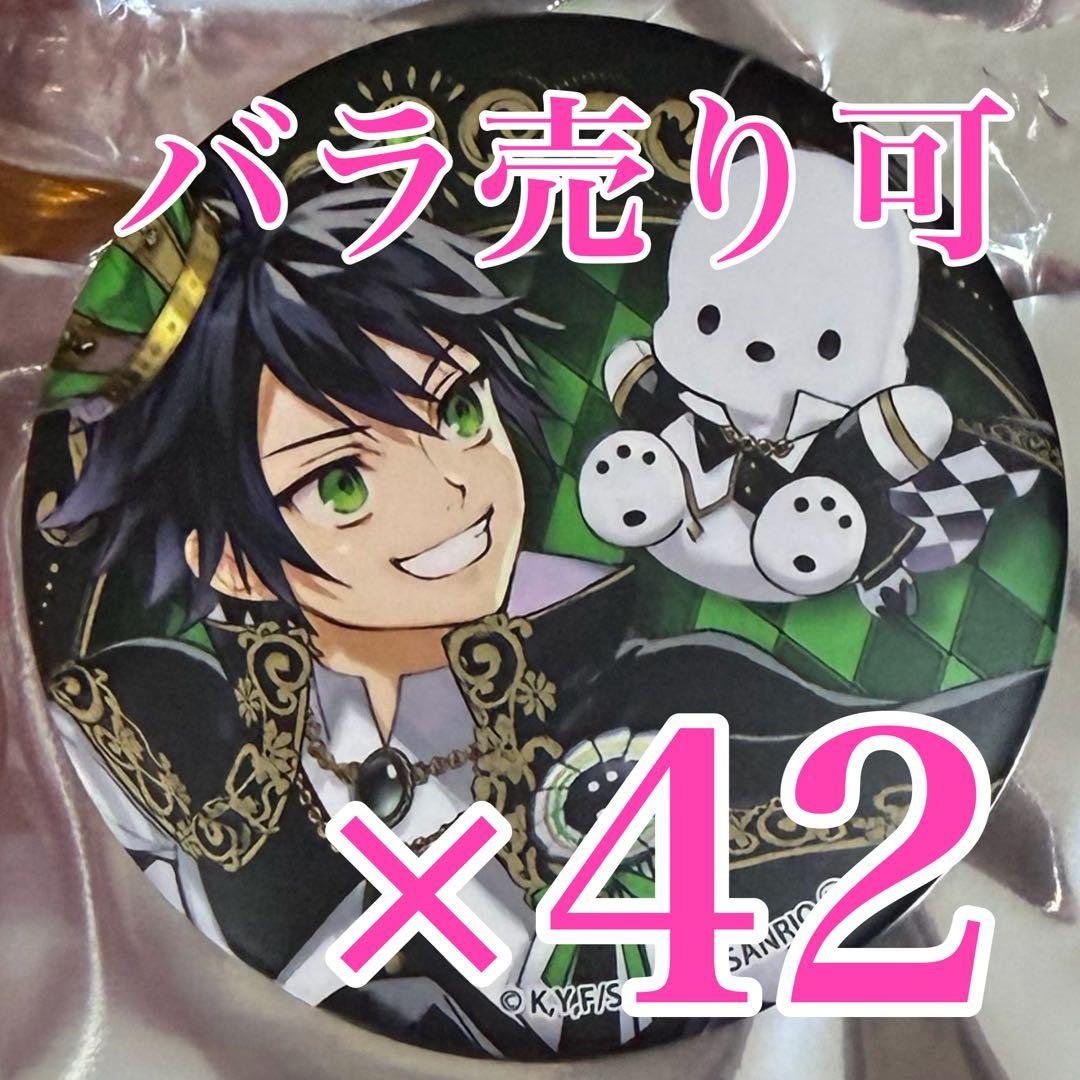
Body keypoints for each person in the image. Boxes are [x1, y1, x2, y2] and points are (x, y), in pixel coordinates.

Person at [39, 175, 1043, 1060]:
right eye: (343, 483)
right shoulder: (159, 731)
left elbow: (934, 762)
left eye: (458, 411)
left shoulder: (674, 698)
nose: (456, 489)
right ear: (226, 562)